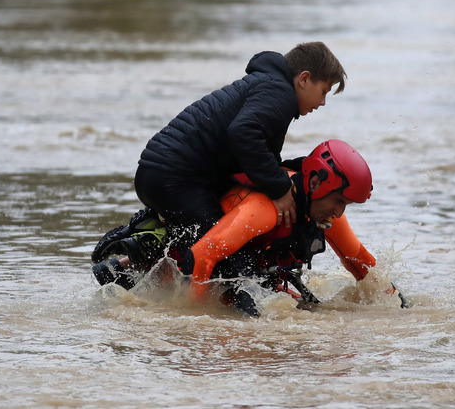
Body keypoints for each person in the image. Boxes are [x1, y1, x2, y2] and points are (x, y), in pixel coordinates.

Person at [92, 139, 410, 316]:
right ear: (314, 182)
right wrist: (197, 318)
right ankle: (124, 266)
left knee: (301, 310)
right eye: (339, 201)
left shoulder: (324, 212)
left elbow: (361, 263)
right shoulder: (265, 210)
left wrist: (401, 305)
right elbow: (201, 258)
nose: (340, 212)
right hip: (195, 262)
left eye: (347, 205)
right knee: (253, 304)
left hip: (241, 270)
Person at [124, 41, 348, 264]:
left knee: (208, 245)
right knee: (222, 257)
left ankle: (126, 266)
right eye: (324, 92)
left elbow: (263, 155)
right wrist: (279, 189)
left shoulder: (271, 87)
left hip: (161, 174)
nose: (322, 102)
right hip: (175, 178)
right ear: (305, 79)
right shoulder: (279, 92)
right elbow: (243, 133)